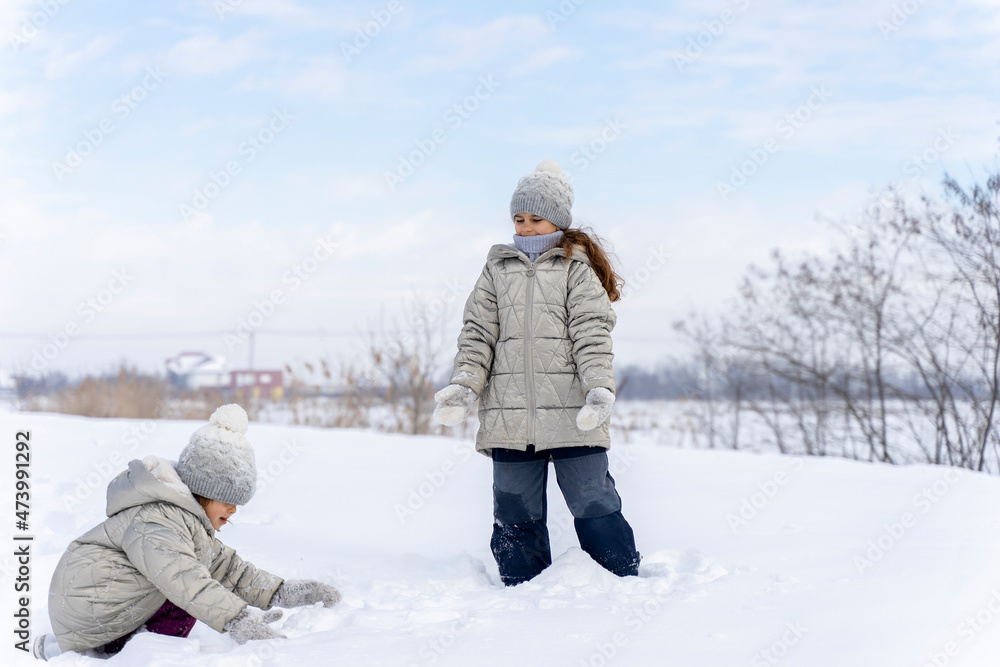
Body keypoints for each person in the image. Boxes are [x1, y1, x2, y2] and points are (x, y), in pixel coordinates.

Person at [433, 160, 641, 586]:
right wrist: (464, 385)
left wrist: (598, 387)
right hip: (509, 415)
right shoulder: (496, 269)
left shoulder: (575, 270)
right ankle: (521, 591)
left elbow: (592, 333)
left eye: (535, 218)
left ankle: (621, 582)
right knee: (514, 511)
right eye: (519, 218)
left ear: (558, 222)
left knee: (592, 501)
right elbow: (477, 333)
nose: (525, 227)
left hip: (572, 412)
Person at [34, 404, 340, 660]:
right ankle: (125, 656)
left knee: (195, 580)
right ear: (204, 491)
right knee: (185, 593)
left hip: (104, 608)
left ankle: (107, 648)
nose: (234, 510)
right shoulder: (159, 520)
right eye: (228, 500)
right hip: (93, 614)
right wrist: (239, 619)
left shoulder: (184, 521)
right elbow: (187, 581)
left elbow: (229, 569)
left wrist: (281, 592)